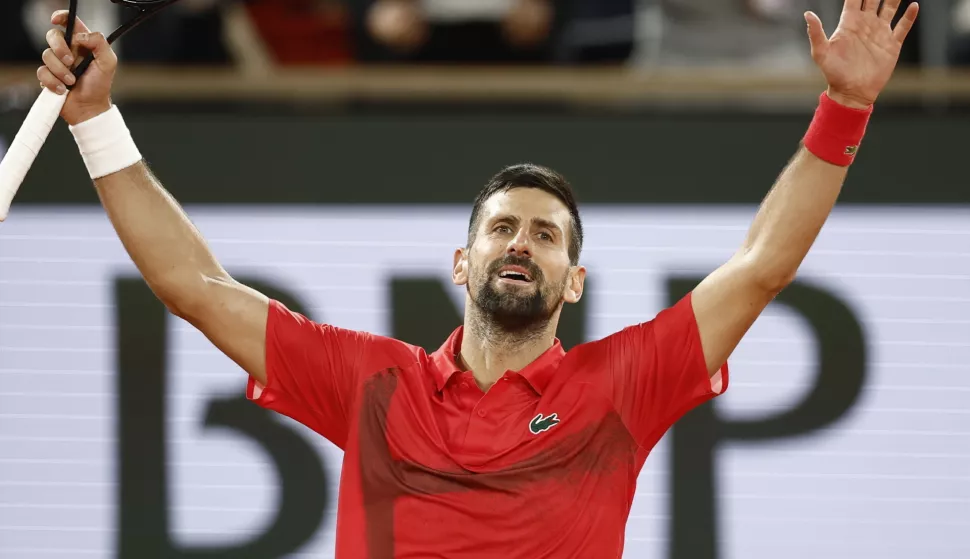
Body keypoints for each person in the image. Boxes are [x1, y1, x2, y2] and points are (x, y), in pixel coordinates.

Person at [34, 1, 918, 556]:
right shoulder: (374, 384)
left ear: (574, 279)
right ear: (463, 262)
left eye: (545, 234)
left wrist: (846, 106)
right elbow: (194, 285)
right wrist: (96, 118)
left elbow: (761, 268)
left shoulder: (620, 386)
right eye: (501, 227)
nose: (520, 243)